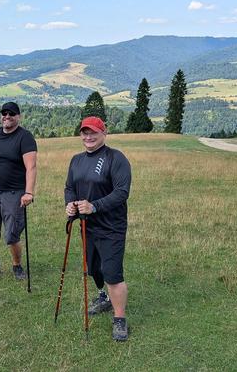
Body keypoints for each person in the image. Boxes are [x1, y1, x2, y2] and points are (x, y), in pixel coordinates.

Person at [64, 116, 131, 342]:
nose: (88, 136)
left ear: (104, 133)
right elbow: (70, 187)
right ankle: (103, 297)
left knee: (112, 273)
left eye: (93, 132)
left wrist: (95, 206)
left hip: (111, 227)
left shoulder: (116, 158)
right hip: (87, 227)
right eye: (84, 132)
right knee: (94, 268)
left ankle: (119, 318)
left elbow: (122, 192)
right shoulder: (76, 160)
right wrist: (70, 203)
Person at [0, 102, 37, 281]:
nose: (7, 116)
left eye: (12, 113)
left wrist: (29, 193)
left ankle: (17, 265)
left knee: (12, 233)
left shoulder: (25, 137)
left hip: (14, 193)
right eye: (4, 113)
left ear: (19, 116)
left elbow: (31, 167)